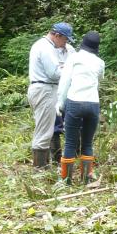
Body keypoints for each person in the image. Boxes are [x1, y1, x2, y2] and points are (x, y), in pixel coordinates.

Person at [56, 31, 105, 184]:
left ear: (82, 43)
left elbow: (64, 83)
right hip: (93, 104)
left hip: (75, 101)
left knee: (70, 142)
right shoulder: (100, 62)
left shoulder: (74, 58)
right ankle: (86, 178)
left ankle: (66, 180)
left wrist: (61, 104)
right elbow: (100, 78)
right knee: (87, 143)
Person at [28, 22, 75, 168]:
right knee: (44, 130)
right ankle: (39, 167)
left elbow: (71, 56)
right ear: (57, 35)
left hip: (49, 89)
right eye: (65, 39)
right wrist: (68, 69)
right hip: (45, 89)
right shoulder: (44, 47)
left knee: (48, 127)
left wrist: (64, 65)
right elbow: (54, 73)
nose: (65, 43)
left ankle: (46, 164)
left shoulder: (54, 47)